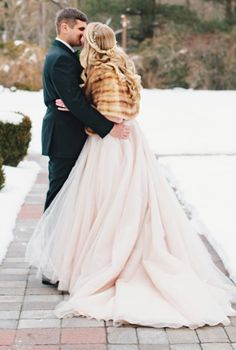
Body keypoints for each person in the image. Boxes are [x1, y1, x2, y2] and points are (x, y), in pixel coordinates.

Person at [26, 22, 236, 329]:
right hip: (129, 139)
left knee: (106, 201)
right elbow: (120, 105)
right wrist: (79, 107)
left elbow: (108, 111)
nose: (82, 39)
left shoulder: (99, 71)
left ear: (93, 44)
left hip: (111, 141)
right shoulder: (121, 63)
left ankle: (96, 260)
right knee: (125, 199)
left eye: (87, 35)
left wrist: (82, 111)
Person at [42, 8, 130, 212]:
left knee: (69, 195)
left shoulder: (64, 55)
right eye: (81, 29)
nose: (84, 35)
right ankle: (49, 241)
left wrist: (78, 100)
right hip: (64, 138)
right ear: (65, 27)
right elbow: (76, 103)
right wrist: (109, 128)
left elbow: (77, 98)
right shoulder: (61, 58)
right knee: (59, 195)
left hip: (68, 134)